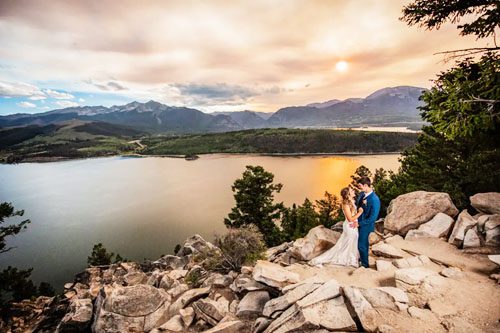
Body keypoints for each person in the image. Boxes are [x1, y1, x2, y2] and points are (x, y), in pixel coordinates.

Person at [309, 186, 363, 267]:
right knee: (347, 243)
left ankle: (352, 259)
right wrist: (360, 212)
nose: (353, 191)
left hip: (354, 226)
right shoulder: (345, 204)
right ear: (348, 194)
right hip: (349, 226)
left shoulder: (352, 201)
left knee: (352, 242)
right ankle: (345, 259)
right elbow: (350, 219)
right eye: (351, 190)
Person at [356, 176, 381, 268]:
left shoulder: (375, 199)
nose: (359, 188)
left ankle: (365, 265)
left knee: (362, 245)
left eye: (360, 186)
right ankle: (359, 259)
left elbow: (373, 218)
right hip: (357, 223)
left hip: (366, 226)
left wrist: (360, 223)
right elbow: (358, 206)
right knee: (357, 243)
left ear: (366, 185)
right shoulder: (362, 194)